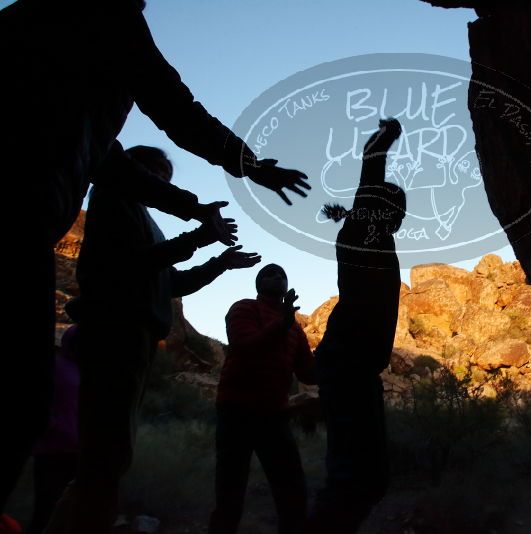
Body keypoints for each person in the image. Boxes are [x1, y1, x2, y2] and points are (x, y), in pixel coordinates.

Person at [0, 0, 310, 512]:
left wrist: (208, 241)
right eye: (160, 180)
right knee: (63, 429)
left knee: (71, 432)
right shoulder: (101, 18)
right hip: (91, 308)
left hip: (108, 312)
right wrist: (246, 172)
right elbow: (177, 110)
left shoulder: (48, 42)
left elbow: (167, 279)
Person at [45, 146, 262, 534]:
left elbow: (171, 281)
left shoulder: (142, 216)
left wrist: (220, 262)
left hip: (134, 339)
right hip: (115, 333)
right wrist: (201, 234)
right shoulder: (113, 198)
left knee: (109, 454)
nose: (162, 182)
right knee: (106, 454)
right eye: (156, 173)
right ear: (134, 170)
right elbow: (136, 263)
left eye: (166, 176)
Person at [306, 118, 406, 533]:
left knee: (364, 478)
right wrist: (382, 143)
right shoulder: (364, 231)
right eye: (398, 207)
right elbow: (369, 176)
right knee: (355, 479)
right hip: (347, 366)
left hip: (355, 367)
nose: (402, 216)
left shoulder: (374, 238)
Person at [209, 264, 316, 534]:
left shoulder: (295, 329)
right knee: (230, 494)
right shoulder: (244, 308)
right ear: (258, 284)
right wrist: (282, 324)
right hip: (237, 412)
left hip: (274, 414)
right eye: (270, 273)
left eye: (282, 274)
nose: (277, 276)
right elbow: (244, 346)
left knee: (292, 491)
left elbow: (309, 372)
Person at [27, 326, 80, 534]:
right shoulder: (56, 367)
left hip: (77, 453)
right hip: (51, 452)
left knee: (68, 514)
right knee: (46, 511)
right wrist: (52, 427)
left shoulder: (83, 370)